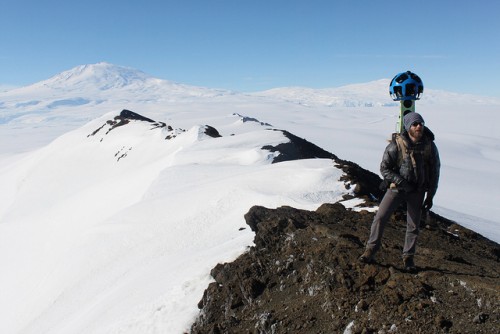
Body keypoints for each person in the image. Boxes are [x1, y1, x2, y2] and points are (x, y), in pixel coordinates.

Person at [359, 112, 440, 272]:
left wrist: (430, 195)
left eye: (421, 124)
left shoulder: (429, 145)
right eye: (415, 124)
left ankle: (408, 258)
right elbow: (384, 168)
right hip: (397, 188)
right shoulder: (396, 145)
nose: (418, 127)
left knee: (413, 225)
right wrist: (402, 182)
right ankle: (371, 250)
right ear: (408, 126)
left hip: (417, 190)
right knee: (380, 218)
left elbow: (434, 171)